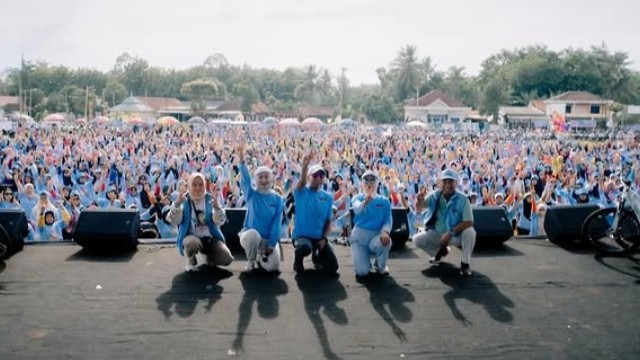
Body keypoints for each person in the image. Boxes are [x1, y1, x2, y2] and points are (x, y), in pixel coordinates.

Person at [412, 169, 476, 276]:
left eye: (450, 181)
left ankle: (465, 264)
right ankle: (441, 252)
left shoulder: (463, 199)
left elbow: (468, 222)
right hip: (437, 233)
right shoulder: (434, 195)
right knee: (417, 239)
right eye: (445, 181)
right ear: (440, 183)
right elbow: (420, 209)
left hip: (456, 235)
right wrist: (419, 201)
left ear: (456, 183)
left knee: (470, 232)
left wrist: (450, 233)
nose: (447, 185)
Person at [167, 172, 233, 272]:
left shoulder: (210, 199)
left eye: (200, 184)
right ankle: (190, 259)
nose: (198, 188)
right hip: (192, 237)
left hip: (209, 238)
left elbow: (220, 222)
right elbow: (173, 220)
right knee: (191, 243)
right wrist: (177, 204)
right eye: (194, 185)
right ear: (189, 185)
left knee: (226, 258)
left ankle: (208, 256)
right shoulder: (183, 200)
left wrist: (217, 208)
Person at [236, 143, 283, 272]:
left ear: (271, 178)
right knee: (253, 235)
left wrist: (272, 244)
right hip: (250, 236)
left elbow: (276, 224)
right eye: (260, 177)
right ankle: (251, 261)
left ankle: (261, 257)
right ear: (256, 180)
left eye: (266, 176)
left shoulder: (277, 199)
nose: (263, 180)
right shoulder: (251, 194)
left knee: (273, 267)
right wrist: (241, 159)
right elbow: (245, 179)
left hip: (267, 241)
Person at [291, 152, 339, 275]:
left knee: (333, 267)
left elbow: (328, 221)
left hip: (319, 238)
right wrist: (304, 167)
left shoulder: (328, 197)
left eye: (321, 175)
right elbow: (301, 182)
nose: (318, 178)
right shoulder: (301, 192)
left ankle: (316, 258)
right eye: (315, 175)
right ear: (309, 177)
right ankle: (298, 261)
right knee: (304, 248)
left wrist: (324, 239)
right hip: (303, 237)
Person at [349, 170, 392, 278]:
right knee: (362, 272)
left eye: (372, 179)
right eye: (366, 180)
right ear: (362, 183)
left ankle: (379, 265)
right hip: (359, 237)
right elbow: (357, 210)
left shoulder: (384, 201)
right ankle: (365, 260)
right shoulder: (357, 198)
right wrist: (365, 201)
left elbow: (388, 220)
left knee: (386, 241)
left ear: (377, 183)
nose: (369, 182)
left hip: (376, 236)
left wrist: (385, 232)